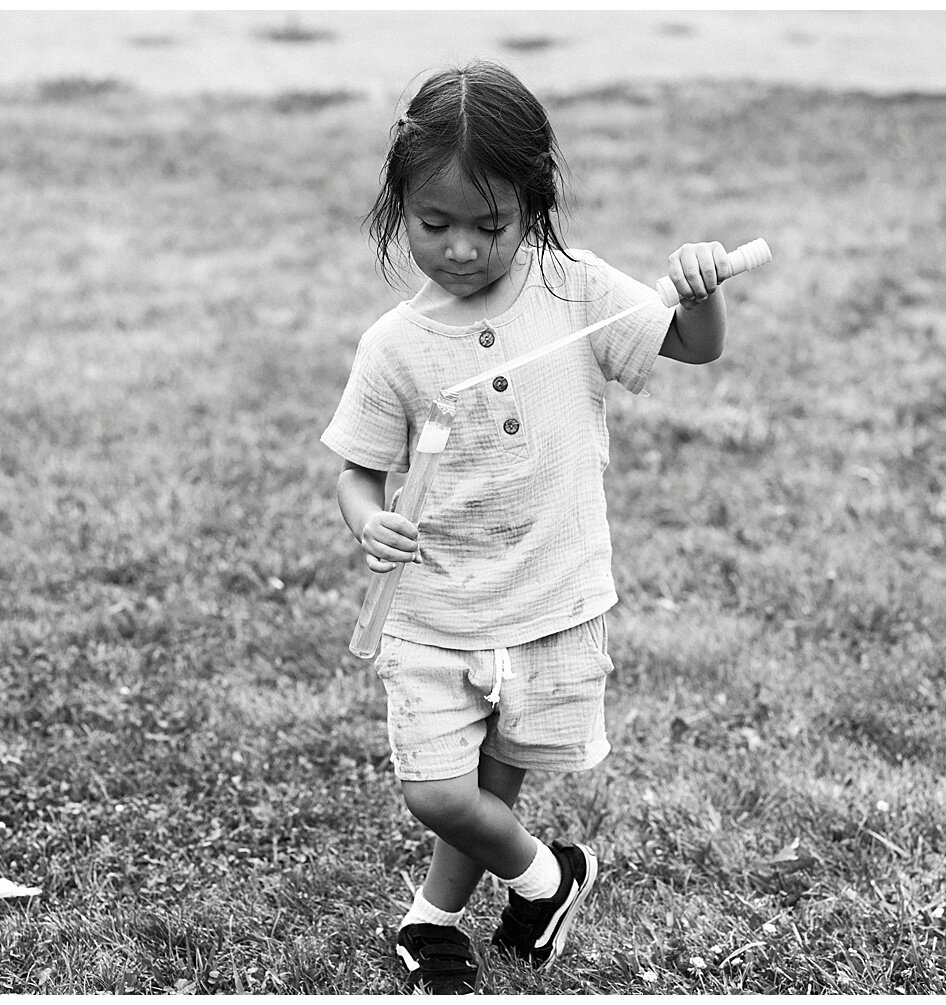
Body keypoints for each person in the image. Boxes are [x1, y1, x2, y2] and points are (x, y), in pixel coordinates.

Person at [321, 59, 730, 994]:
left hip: (550, 599)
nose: (461, 249)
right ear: (399, 208)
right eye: (435, 225)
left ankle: (431, 922)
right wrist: (368, 519)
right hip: (432, 612)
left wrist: (701, 289)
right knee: (436, 789)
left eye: (490, 225)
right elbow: (357, 470)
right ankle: (549, 877)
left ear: (533, 202)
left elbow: (697, 346)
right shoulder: (395, 346)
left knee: (492, 786)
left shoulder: (575, 291)